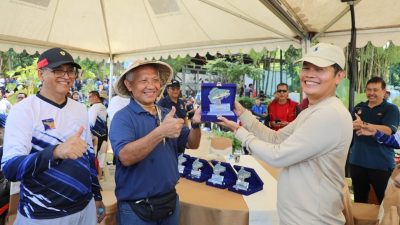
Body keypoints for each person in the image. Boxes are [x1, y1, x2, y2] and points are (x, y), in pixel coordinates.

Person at [217, 43, 352, 224]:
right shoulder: (312, 111)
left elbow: (277, 155)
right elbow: (276, 138)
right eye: (306, 68)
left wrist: (240, 132)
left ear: (339, 76)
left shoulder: (329, 114)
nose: (310, 74)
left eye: (319, 69)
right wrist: (243, 114)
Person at [1, 47, 105, 224]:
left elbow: (88, 156)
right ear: (41, 74)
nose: (67, 76)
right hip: (43, 214)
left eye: (70, 70)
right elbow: (10, 168)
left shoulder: (80, 109)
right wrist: (55, 152)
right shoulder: (24, 110)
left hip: (84, 207)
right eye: (58, 70)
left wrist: (96, 195)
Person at [109, 60, 201, 225]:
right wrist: (161, 132)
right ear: (129, 85)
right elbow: (125, 157)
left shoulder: (167, 114)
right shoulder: (123, 118)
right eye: (144, 80)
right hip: (136, 209)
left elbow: (191, 143)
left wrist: (195, 124)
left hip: (170, 201)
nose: (151, 85)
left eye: (155, 80)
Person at [350, 76, 400, 204]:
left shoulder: (391, 109)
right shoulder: (358, 108)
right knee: (359, 202)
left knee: (385, 203)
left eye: (375, 90)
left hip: (381, 165)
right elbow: (348, 127)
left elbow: (388, 130)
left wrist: (364, 124)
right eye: (369, 90)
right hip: (357, 162)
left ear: (384, 91)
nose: (371, 93)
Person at [88, 90, 108, 178]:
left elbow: (90, 123)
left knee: (93, 157)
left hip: (95, 136)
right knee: (101, 158)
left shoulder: (95, 107)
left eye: (89, 97)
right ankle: (99, 177)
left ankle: (93, 178)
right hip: (104, 135)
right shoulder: (103, 106)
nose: (89, 99)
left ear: (95, 97)